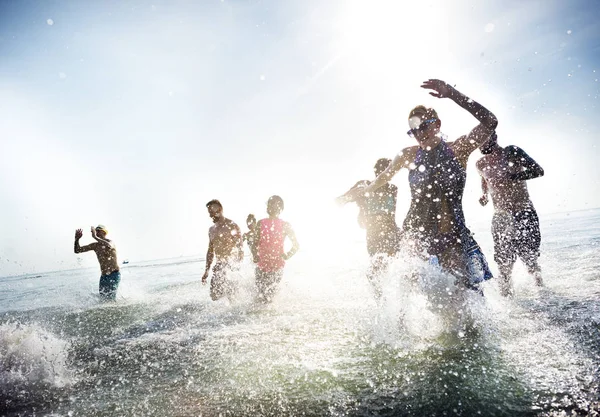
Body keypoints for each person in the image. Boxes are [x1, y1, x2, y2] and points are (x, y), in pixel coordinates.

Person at [345, 79, 497, 292]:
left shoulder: (458, 149)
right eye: (414, 131)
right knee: (410, 293)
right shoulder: (408, 155)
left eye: (423, 127)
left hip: (451, 233)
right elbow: (383, 178)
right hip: (416, 233)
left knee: (466, 295)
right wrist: (364, 191)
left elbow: (490, 122)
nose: (419, 134)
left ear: (437, 124)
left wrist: (453, 94)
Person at [477, 132, 545, 296]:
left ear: (494, 137)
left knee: (529, 260)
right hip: (500, 216)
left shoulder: (512, 152)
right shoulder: (480, 164)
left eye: (483, 139)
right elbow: (484, 179)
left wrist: (514, 176)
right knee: (503, 264)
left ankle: (542, 292)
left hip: (524, 212)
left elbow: (538, 170)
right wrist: (484, 194)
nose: (480, 144)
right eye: (478, 141)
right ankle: (508, 304)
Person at [337, 158, 401, 298]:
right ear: (376, 171)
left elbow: (391, 214)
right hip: (373, 233)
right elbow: (343, 198)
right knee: (376, 269)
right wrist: (354, 200)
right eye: (381, 170)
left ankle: (392, 302)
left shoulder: (393, 189)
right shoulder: (364, 184)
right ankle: (381, 301)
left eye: (388, 171)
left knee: (393, 266)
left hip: (390, 231)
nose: (385, 174)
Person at [254, 195, 300, 303]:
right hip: (261, 265)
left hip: (276, 266)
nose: (270, 206)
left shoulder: (285, 225)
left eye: (273, 204)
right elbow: (254, 243)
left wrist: (287, 255)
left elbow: (296, 245)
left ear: (280, 207)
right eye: (269, 204)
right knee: (260, 297)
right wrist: (254, 254)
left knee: (269, 297)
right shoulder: (260, 223)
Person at [201, 199, 244, 301]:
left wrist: (236, 265)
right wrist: (206, 270)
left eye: (212, 212)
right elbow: (210, 251)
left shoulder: (231, 225)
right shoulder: (211, 230)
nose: (210, 215)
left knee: (233, 298)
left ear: (219, 209)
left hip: (231, 266)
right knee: (214, 296)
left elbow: (240, 247)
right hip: (219, 266)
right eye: (209, 213)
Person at [74, 225, 121, 301]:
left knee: (111, 300)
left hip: (114, 274)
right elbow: (77, 250)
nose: (96, 232)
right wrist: (76, 239)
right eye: (95, 231)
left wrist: (95, 237)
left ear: (104, 232)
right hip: (103, 277)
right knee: (103, 300)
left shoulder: (110, 242)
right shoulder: (95, 245)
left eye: (98, 231)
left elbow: (109, 246)